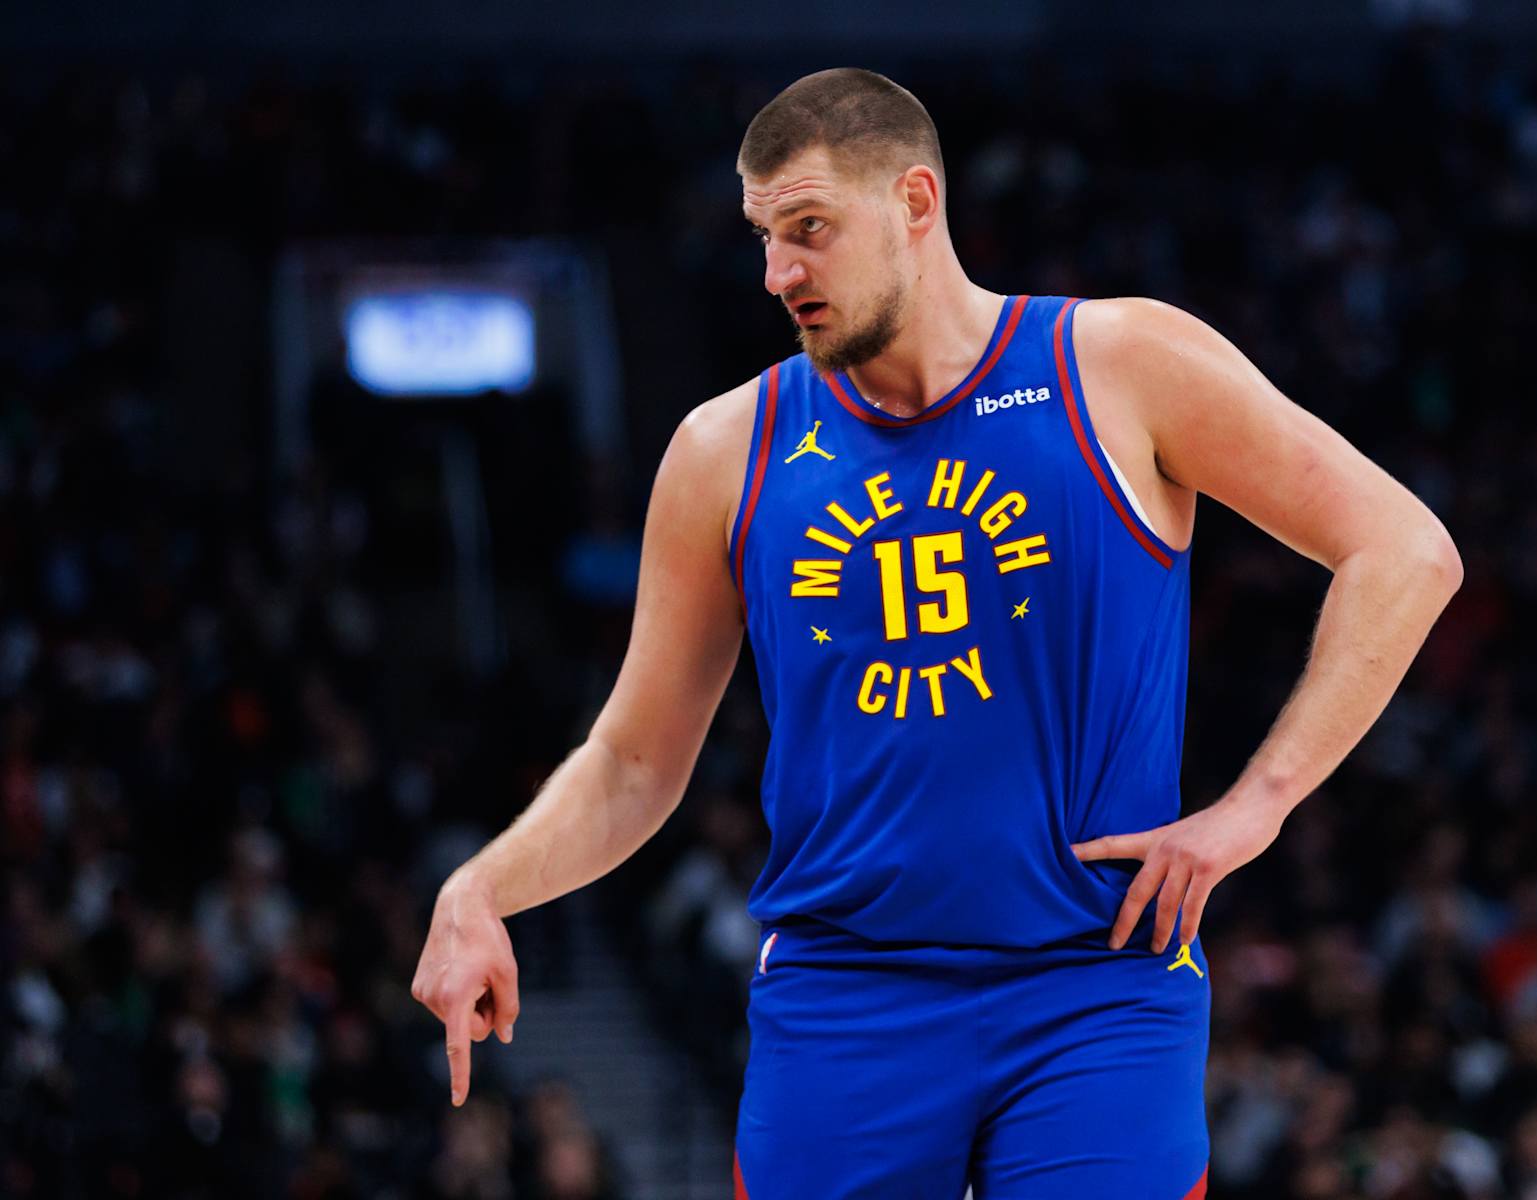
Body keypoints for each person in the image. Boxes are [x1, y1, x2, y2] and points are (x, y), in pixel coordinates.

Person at [410, 67, 1464, 1198]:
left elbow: (1404, 551)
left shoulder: (1118, 366)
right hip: (844, 993)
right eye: (766, 237)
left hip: (1094, 987)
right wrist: (482, 887)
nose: (779, 274)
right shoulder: (727, 450)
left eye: (808, 229)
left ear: (916, 203)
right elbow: (630, 762)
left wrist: (1259, 803)